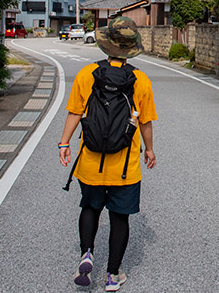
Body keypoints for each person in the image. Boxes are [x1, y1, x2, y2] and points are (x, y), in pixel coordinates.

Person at [59, 16, 157, 292]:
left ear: (107, 44)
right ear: (131, 48)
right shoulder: (140, 80)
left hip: (91, 160)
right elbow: (146, 122)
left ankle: (87, 253)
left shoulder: (86, 74)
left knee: (90, 208)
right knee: (119, 218)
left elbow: (75, 113)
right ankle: (113, 275)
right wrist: (149, 150)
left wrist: (64, 144)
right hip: (125, 166)